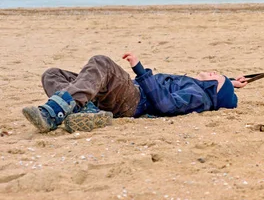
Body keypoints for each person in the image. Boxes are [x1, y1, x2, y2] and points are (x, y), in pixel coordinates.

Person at [22, 52, 248, 133]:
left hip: (134, 99)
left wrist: (140, 70)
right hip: (127, 96)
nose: (211, 71)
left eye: (215, 75)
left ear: (213, 88)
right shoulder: (200, 91)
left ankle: (53, 112)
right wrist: (230, 82)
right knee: (52, 74)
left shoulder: (197, 94)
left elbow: (166, 105)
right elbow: (220, 91)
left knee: (102, 63)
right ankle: (87, 112)